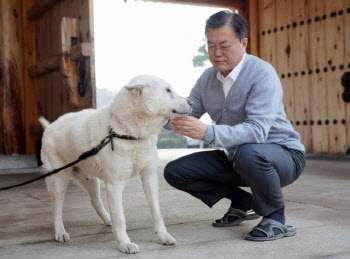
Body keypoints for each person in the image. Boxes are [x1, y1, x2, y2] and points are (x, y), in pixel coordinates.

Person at [163, 10, 306, 241]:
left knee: (250, 152)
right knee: (176, 171)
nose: (216, 53)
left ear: (243, 43)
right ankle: (242, 202)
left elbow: (257, 131)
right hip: (239, 159)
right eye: (210, 46)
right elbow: (186, 113)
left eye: (224, 45)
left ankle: (276, 218)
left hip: (283, 156)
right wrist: (157, 114)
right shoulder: (206, 79)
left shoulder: (262, 74)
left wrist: (208, 132)